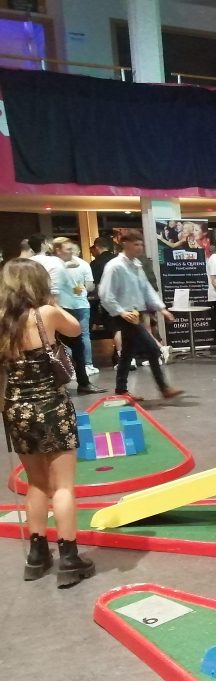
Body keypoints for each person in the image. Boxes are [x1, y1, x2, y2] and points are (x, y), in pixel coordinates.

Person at [0, 258, 95, 587]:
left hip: (15, 409)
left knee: (36, 483)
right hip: (51, 406)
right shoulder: (46, 314)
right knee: (63, 486)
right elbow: (76, 327)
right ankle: (69, 558)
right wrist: (50, 300)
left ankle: (37, 556)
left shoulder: (2, 321)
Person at [99, 230, 182, 400]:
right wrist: (121, 312)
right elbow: (105, 294)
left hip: (136, 313)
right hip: (124, 315)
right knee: (152, 349)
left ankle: (121, 390)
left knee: (128, 352)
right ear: (125, 244)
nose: (140, 247)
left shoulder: (136, 265)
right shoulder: (115, 266)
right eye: (136, 244)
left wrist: (161, 308)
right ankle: (164, 388)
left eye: (141, 244)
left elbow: (146, 289)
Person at [30, 235, 104, 395]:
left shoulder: (33, 261)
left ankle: (59, 383)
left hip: (39, 310)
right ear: (55, 249)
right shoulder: (55, 264)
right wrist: (56, 315)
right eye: (68, 248)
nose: (72, 251)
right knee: (75, 342)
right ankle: (79, 382)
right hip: (59, 309)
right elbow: (54, 295)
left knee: (47, 347)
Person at [55, 238, 98, 376]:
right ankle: (88, 365)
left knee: (65, 337)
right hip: (81, 303)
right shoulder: (84, 264)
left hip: (63, 305)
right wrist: (82, 289)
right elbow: (90, 285)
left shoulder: (56, 265)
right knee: (84, 335)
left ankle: (70, 366)